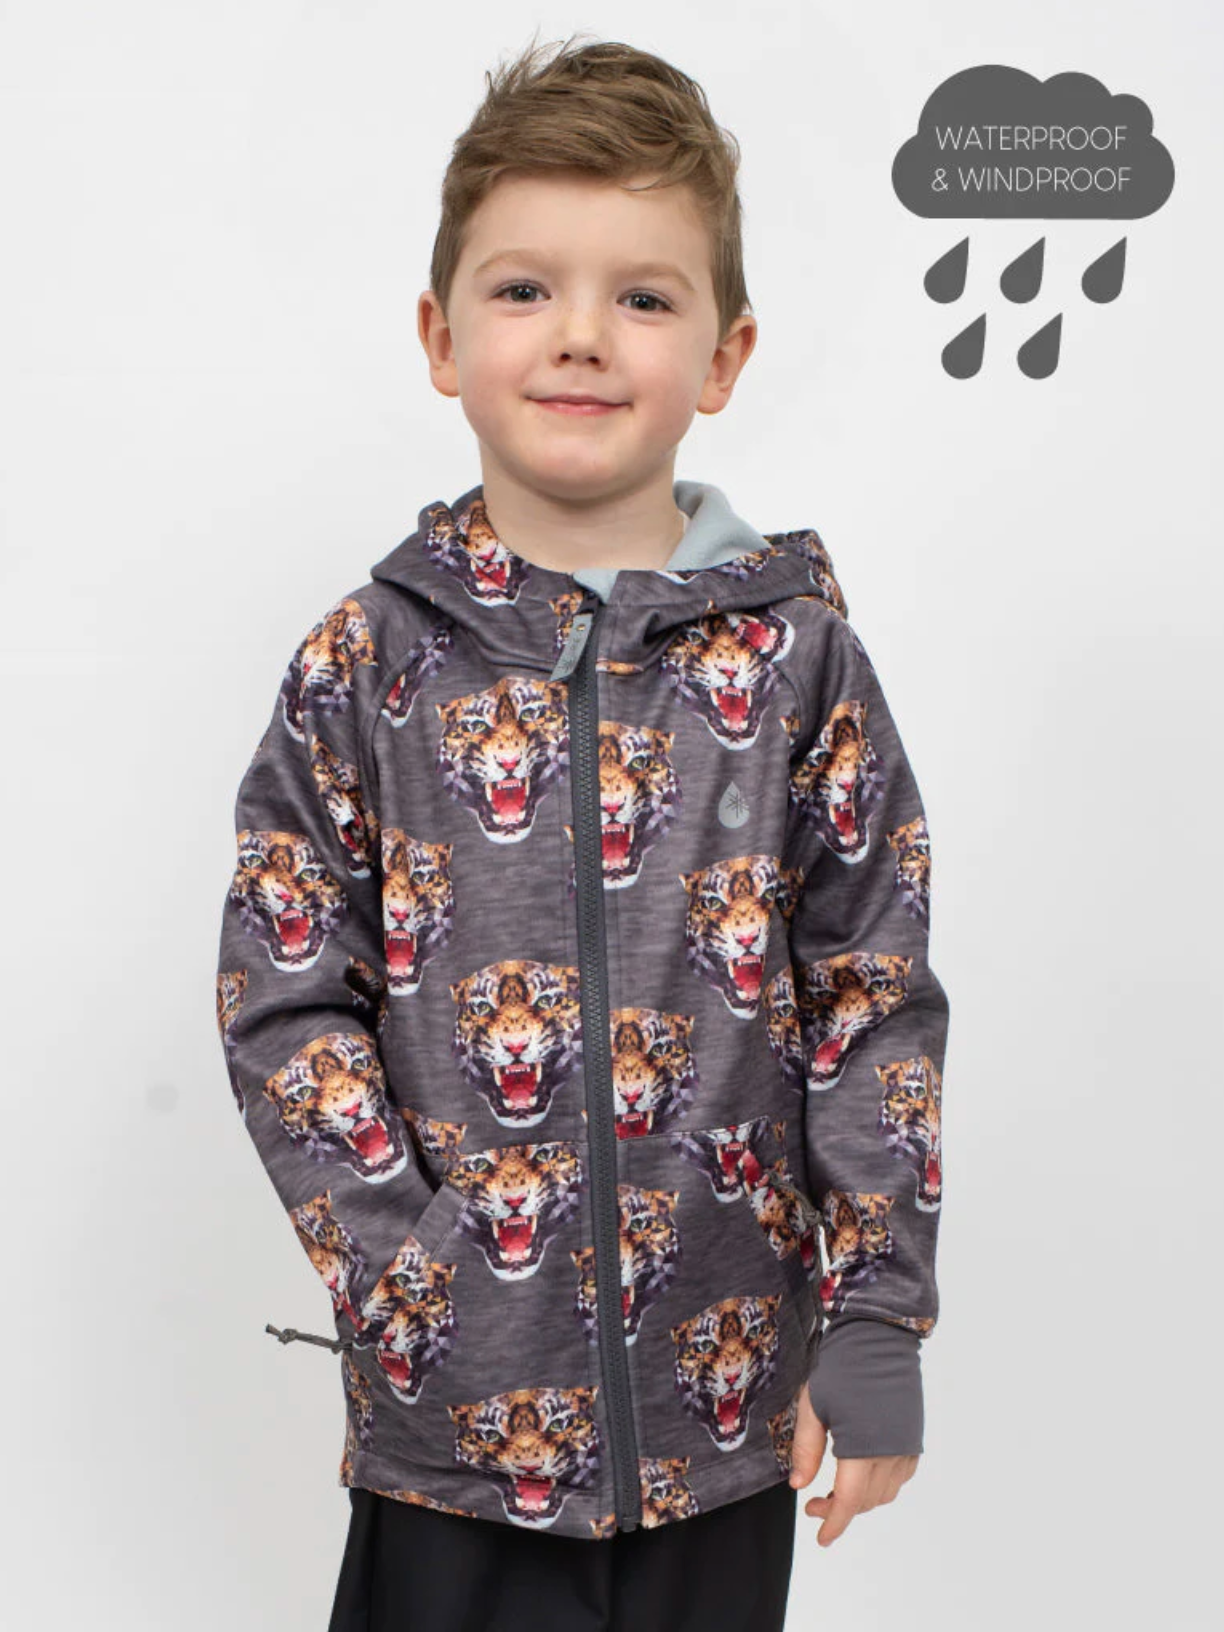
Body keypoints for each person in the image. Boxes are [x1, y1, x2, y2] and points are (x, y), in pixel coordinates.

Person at [215, 31, 950, 1632]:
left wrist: (876, 1314)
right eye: (525, 287)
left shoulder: (798, 663)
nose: (581, 336)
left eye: (644, 297)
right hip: (454, 1442)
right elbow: (284, 994)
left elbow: (870, 993)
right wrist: (414, 1277)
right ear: (442, 335)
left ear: (725, 355)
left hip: (723, 1427)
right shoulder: (368, 665)